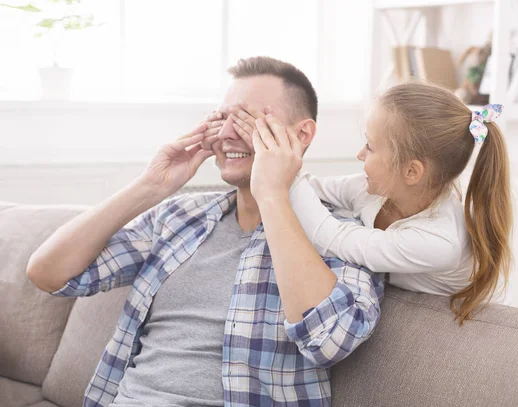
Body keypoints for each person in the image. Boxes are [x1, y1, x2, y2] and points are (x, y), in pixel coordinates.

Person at [26, 56, 383, 407]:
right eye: (223, 118)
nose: (227, 133)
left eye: (249, 121)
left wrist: (273, 193)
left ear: (301, 135)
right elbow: (48, 273)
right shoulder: (180, 215)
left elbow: (331, 340)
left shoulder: (345, 235)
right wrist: (150, 186)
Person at [246, 82, 512, 325]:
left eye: (370, 147)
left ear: (411, 172)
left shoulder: (440, 241)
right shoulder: (375, 188)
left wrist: (280, 163)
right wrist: (274, 154)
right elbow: (313, 189)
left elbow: (329, 238)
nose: (360, 154)